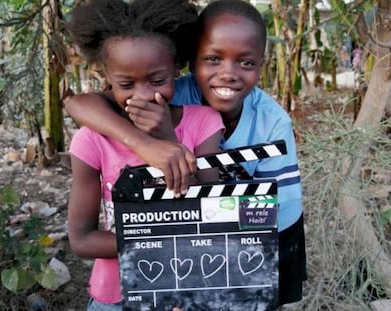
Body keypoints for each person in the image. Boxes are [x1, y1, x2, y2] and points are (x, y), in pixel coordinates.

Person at [66, 0, 307, 308]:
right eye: (213, 59)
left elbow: (261, 221)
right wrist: (146, 144)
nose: (228, 74)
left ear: (262, 63)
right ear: (191, 63)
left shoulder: (271, 124)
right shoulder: (170, 90)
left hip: (260, 231)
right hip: (145, 274)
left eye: (245, 63)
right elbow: (79, 104)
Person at [65, 0, 225, 310]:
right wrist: (146, 145)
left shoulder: (203, 123)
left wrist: (166, 138)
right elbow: (82, 240)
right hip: (116, 296)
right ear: (107, 76)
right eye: (126, 83)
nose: (142, 95)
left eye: (157, 80)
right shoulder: (91, 141)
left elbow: (212, 217)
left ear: (176, 70)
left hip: (185, 290)